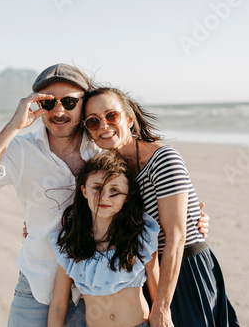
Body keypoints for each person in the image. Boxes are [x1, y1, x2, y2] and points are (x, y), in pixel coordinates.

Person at [0, 64, 209, 326]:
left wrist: (195, 220)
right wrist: (13, 126)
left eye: (69, 102)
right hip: (38, 283)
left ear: (83, 106)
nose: (59, 110)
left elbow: (144, 202)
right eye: (48, 102)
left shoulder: (106, 150)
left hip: (98, 293)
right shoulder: (21, 150)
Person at [82, 87, 240, 327]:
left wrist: (162, 307)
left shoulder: (163, 159)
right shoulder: (113, 172)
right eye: (93, 121)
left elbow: (176, 235)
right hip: (148, 273)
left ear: (129, 119)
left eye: (111, 116)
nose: (103, 125)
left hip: (183, 269)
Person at [48, 151, 159, 327]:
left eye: (115, 190)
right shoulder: (72, 243)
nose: (105, 197)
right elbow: (58, 306)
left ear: (127, 196)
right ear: (84, 190)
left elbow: (158, 294)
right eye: (97, 188)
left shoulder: (141, 236)